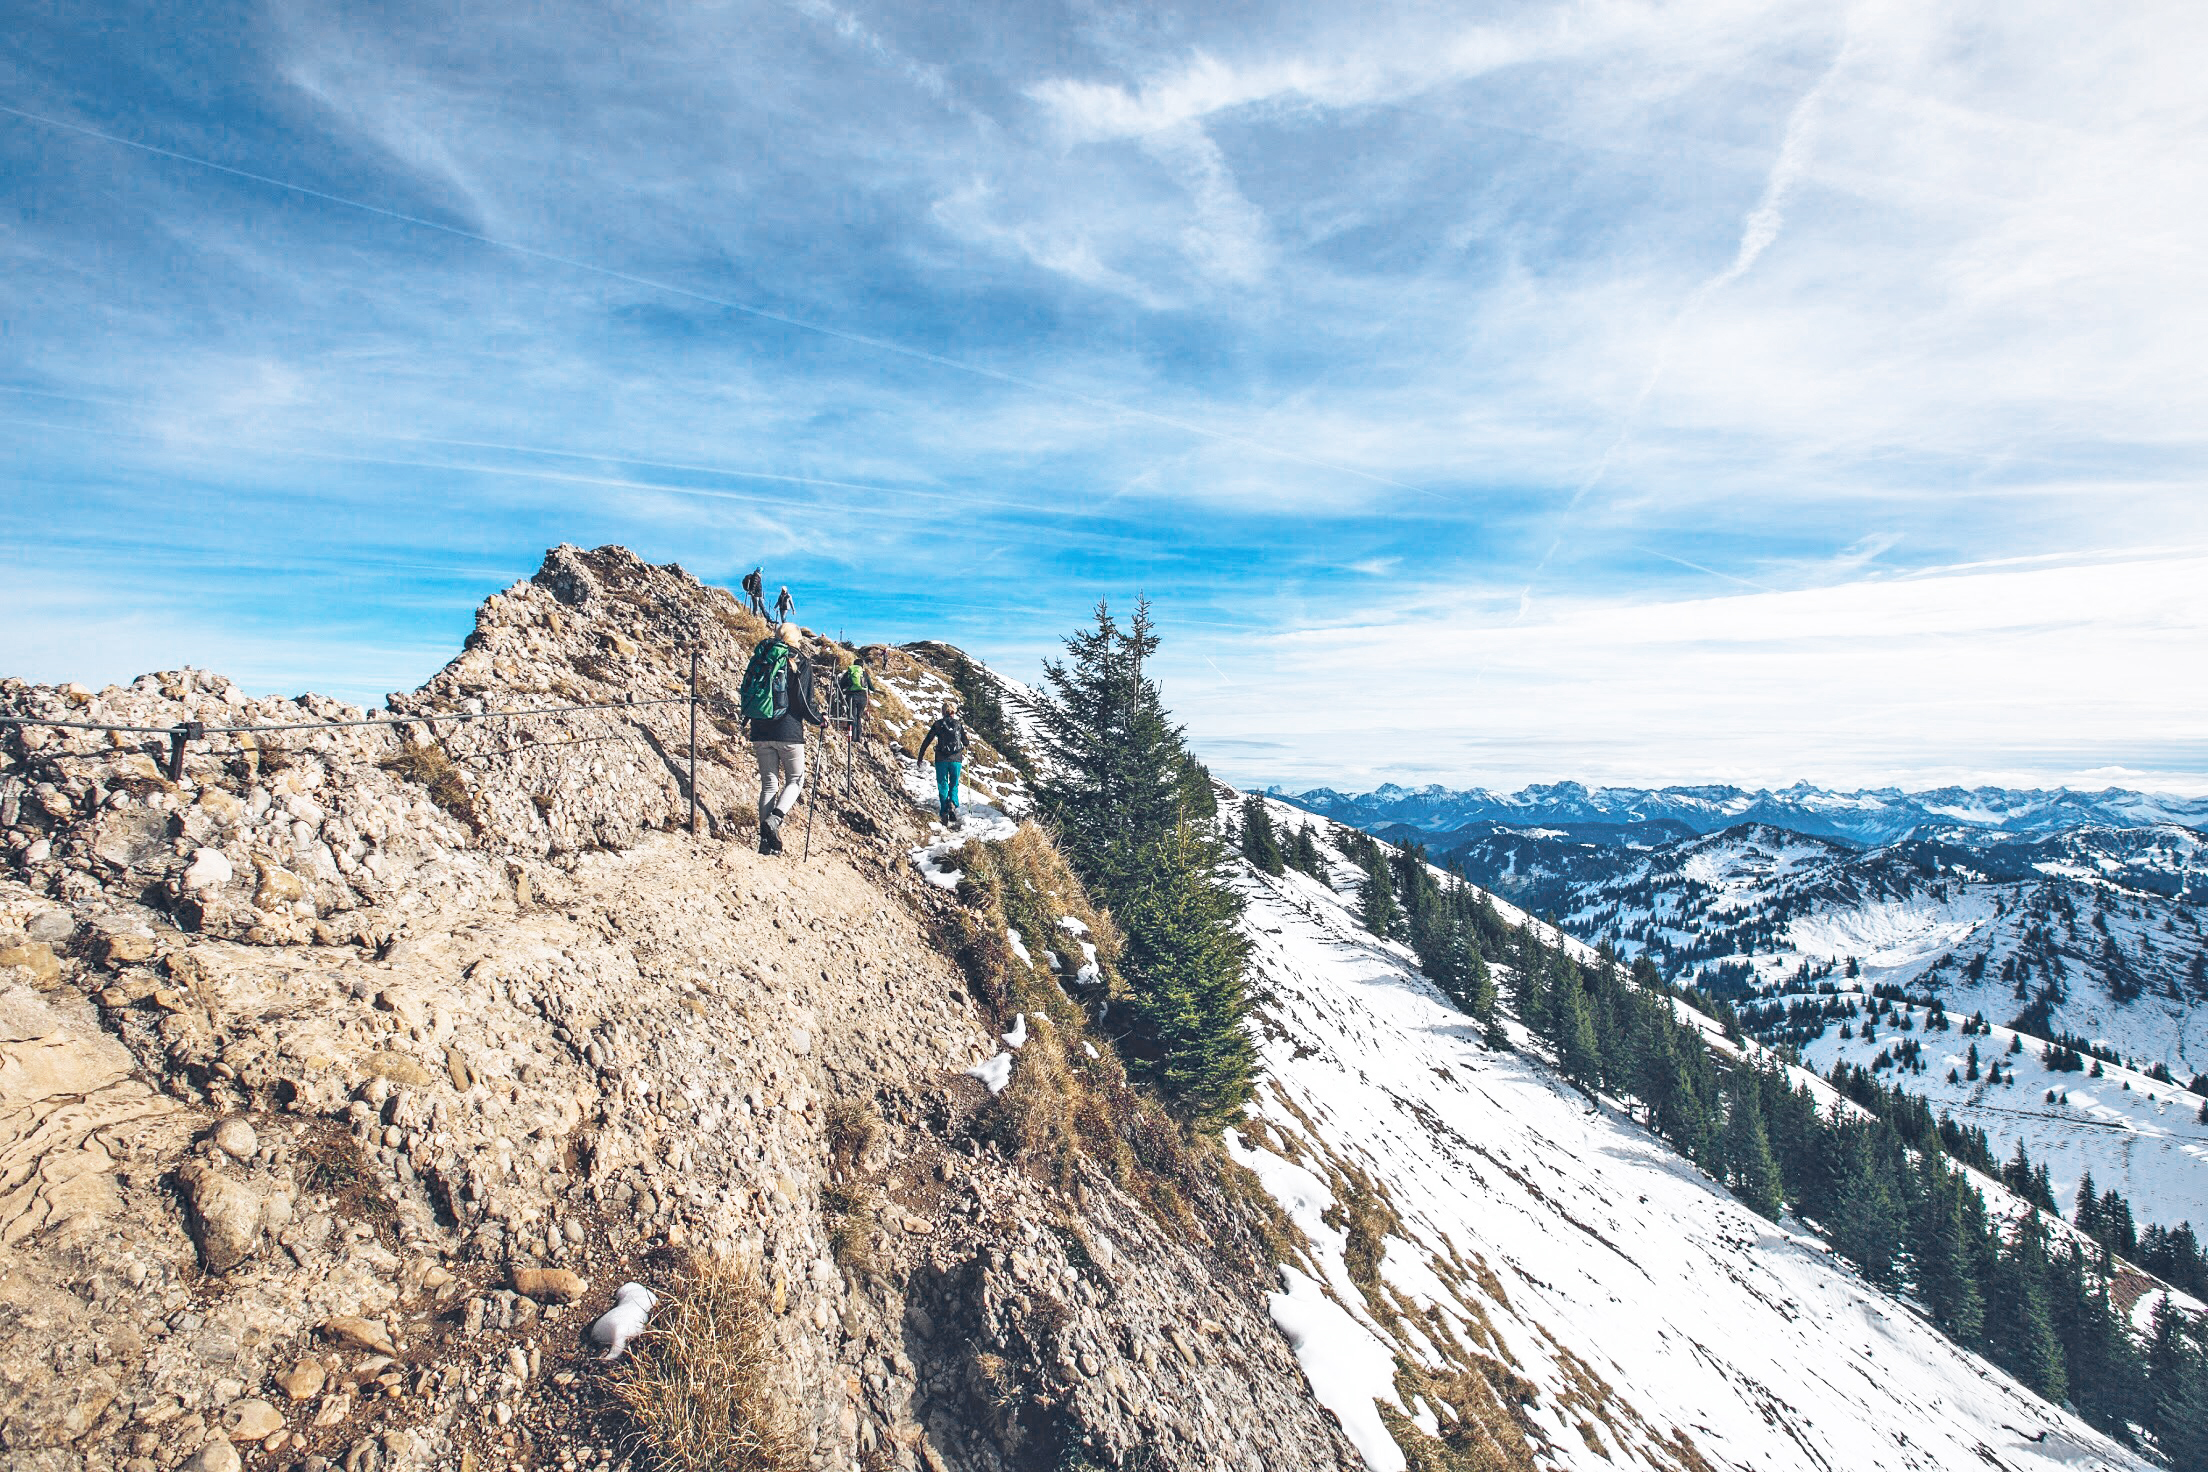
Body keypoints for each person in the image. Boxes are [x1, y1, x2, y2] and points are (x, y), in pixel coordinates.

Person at [741, 623, 824, 855]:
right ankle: (775, 819)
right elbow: (804, 701)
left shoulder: (763, 657)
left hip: (760, 728)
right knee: (795, 779)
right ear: (796, 638)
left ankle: (764, 843)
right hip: (788, 731)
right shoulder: (799, 661)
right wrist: (819, 719)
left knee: (769, 785)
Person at [915, 698, 969, 828]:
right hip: (956, 759)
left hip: (941, 759)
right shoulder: (958, 724)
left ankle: (944, 810)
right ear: (953, 712)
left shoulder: (938, 724)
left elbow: (927, 740)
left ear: (943, 712)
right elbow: (966, 742)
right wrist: (966, 741)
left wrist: (920, 757)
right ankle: (952, 804)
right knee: (954, 784)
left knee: (942, 783)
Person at [837, 659, 871, 743]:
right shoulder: (864, 674)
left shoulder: (849, 673)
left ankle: (852, 737)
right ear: (862, 666)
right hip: (863, 697)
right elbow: (871, 687)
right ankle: (858, 738)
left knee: (852, 717)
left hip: (852, 697)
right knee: (859, 717)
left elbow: (841, 685)